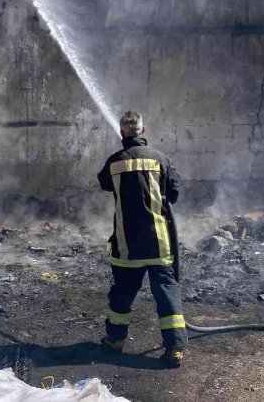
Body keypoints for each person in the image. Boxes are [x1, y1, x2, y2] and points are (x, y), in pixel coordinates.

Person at [97, 110, 187, 368]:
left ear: (123, 133)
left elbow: (104, 184)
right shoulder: (160, 159)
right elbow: (175, 192)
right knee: (167, 294)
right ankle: (174, 350)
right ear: (143, 132)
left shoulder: (114, 162)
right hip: (159, 242)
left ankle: (115, 341)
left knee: (122, 295)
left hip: (127, 245)